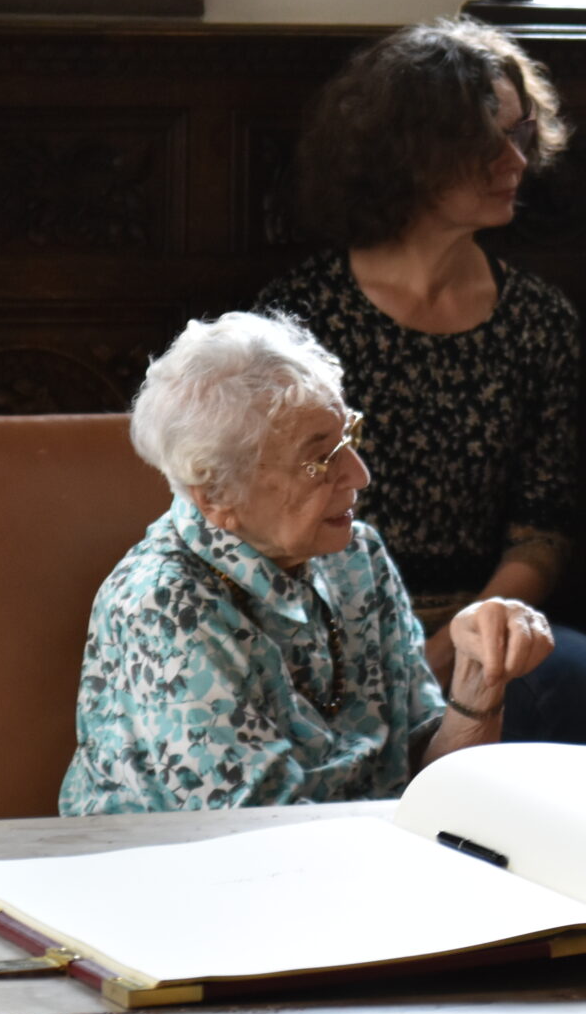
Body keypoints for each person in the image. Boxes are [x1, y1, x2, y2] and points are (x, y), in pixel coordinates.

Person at [256, 19, 586, 745]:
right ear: (411, 156)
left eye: (521, 135)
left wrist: (454, 647)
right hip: (329, 618)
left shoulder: (538, 318)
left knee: (571, 673)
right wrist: (386, 651)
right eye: (486, 143)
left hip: (483, 617)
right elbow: (266, 522)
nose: (513, 162)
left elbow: (541, 535)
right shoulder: (301, 318)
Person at [59, 311, 554, 814]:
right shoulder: (165, 605)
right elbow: (253, 832)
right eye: (320, 460)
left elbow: (426, 777)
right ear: (217, 495)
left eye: (349, 437)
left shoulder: (357, 558)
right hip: (180, 875)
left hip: (348, 863)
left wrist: (479, 680)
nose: (358, 476)